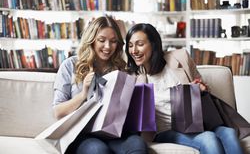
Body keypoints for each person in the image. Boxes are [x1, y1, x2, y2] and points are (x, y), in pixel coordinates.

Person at [125, 23, 244, 154]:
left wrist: (201, 87)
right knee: (209, 139)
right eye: (130, 45)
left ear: (153, 44)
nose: (134, 51)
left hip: (195, 123)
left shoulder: (180, 58)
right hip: (165, 131)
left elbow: (201, 87)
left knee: (229, 133)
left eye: (140, 44)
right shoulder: (133, 78)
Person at [53, 16, 148, 154]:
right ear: (91, 40)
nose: (108, 47)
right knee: (98, 150)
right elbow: (58, 112)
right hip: (81, 135)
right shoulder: (71, 66)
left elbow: (133, 117)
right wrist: (83, 95)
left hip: (115, 135)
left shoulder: (122, 69)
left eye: (113, 41)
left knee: (137, 143)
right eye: (101, 40)